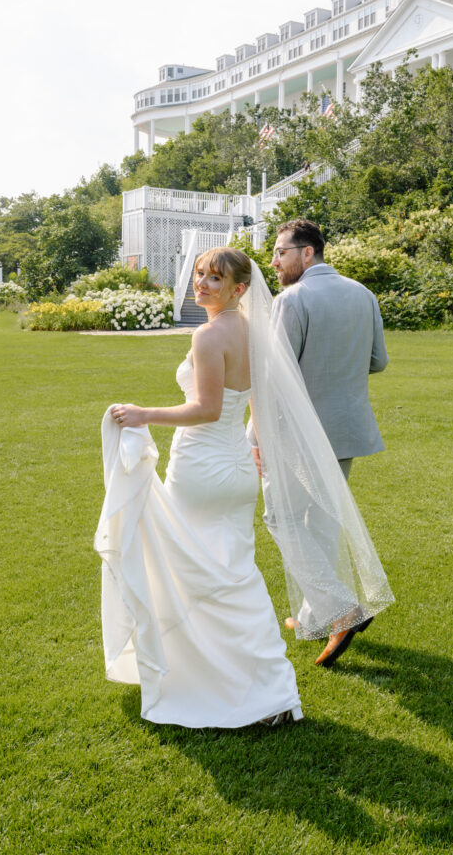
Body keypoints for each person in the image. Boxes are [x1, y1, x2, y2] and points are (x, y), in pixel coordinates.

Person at [95, 248, 302, 729]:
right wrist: (258, 449)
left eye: (216, 278)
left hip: (201, 466)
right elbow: (256, 402)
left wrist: (145, 414)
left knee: (189, 569)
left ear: (239, 289)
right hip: (236, 468)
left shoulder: (208, 334)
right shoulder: (256, 332)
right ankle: (272, 692)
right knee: (235, 574)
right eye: (200, 276)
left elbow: (207, 408)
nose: (203, 285)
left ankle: (204, 679)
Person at [248, 218, 390, 666]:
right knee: (323, 521)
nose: (274, 262)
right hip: (347, 428)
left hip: (296, 431)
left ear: (307, 253)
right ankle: (315, 618)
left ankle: (339, 607)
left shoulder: (292, 299)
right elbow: (378, 361)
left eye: (280, 252)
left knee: (280, 517)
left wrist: (255, 436)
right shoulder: (363, 294)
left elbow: (274, 376)